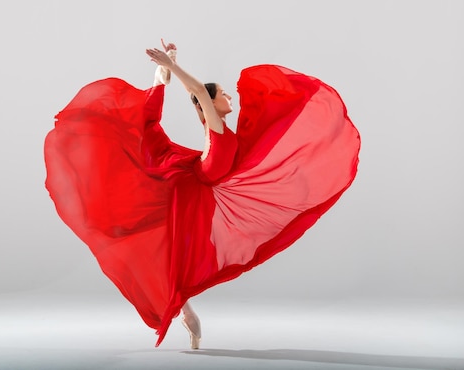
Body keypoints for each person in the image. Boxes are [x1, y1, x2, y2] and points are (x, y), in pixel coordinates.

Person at [44, 39, 361, 349]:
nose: (228, 97)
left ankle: (184, 311)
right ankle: (183, 309)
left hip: (199, 190)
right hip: (190, 188)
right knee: (170, 248)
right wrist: (173, 66)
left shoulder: (221, 127)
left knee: (181, 254)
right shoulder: (216, 126)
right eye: (222, 94)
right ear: (209, 104)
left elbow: (205, 100)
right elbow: (197, 92)